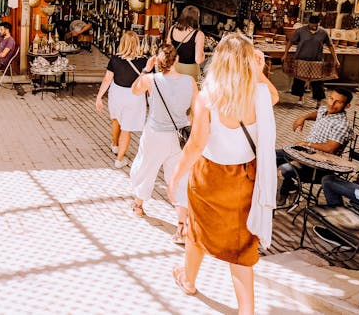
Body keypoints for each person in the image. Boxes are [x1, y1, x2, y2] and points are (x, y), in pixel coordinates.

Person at [169, 34, 278, 314]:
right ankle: (246, 310)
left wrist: (176, 176)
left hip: (210, 177)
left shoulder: (207, 97)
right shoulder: (259, 94)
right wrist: (259, 73)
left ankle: (189, 280)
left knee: (197, 230)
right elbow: (274, 96)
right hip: (245, 177)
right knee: (242, 245)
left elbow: (196, 144)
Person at [129, 44, 195, 244]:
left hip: (155, 134)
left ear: (158, 61)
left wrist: (146, 69)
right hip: (179, 136)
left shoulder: (151, 79)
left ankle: (138, 205)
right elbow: (195, 110)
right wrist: (188, 126)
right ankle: (181, 226)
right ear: (177, 60)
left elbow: (134, 90)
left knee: (146, 167)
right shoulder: (190, 81)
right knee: (179, 178)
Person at [276, 88, 354, 205]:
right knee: (269, 157)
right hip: (303, 154)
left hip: (318, 166)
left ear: (347, 106)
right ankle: (291, 188)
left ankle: (280, 199)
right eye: (331, 98)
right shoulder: (324, 110)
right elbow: (317, 113)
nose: (331, 104)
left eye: (338, 102)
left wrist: (307, 144)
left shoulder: (342, 124)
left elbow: (330, 148)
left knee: (284, 169)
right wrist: (303, 117)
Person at [95, 31, 149, 169]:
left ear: (122, 43)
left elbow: (107, 79)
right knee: (127, 128)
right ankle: (119, 159)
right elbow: (148, 82)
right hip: (135, 96)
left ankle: (115, 144)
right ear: (137, 43)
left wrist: (99, 97)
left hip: (117, 94)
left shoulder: (115, 59)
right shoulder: (144, 61)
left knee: (116, 119)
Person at [282, 14, 339, 105]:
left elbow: (330, 46)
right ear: (309, 23)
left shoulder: (323, 32)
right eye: (312, 24)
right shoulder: (300, 31)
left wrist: (336, 59)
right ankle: (300, 98)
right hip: (301, 59)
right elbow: (290, 42)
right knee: (300, 80)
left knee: (318, 82)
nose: (314, 26)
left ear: (319, 23)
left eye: (316, 24)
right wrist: (285, 54)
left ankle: (318, 102)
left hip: (316, 61)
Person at [167, 6, 205, 79]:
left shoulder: (172, 28)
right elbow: (198, 60)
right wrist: (203, 55)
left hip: (174, 69)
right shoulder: (199, 34)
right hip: (190, 72)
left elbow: (168, 50)